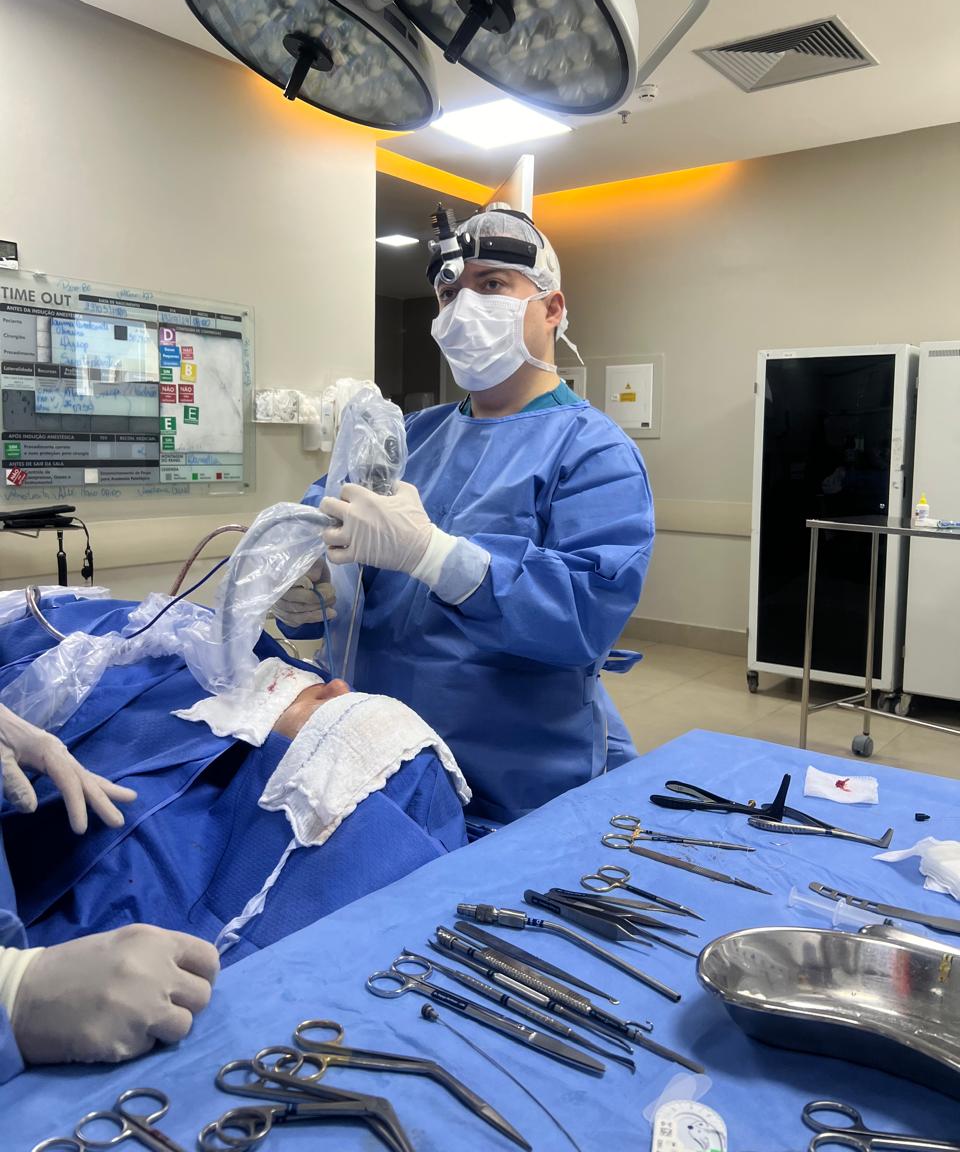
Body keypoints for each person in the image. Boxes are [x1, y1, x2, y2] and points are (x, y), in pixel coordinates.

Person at [277, 210, 655, 824]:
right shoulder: (407, 438)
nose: (464, 307)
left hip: (510, 789)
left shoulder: (594, 453)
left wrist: (432, 555)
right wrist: (307, 581)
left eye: (492, 284)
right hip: (375, 761)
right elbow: (320, 526)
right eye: (450, 293)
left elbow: (582, 617)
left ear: (552, 308)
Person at [0, 588, 468, 1078]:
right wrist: (14, 992)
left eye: (342, 709)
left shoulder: (385, 802)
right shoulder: (181, 664)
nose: (339, 685)